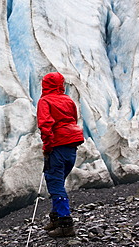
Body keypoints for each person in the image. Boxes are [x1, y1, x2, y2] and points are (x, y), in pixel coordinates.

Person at [36, 72, 84, 238]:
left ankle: (65, 224)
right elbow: (73, 120)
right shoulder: (68, 100)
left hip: (57, 147)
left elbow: (45, 126)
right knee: (59, 182)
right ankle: (56, 218)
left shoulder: (45, 101)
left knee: (55, 185)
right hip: (71, 147)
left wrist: (47, 147)